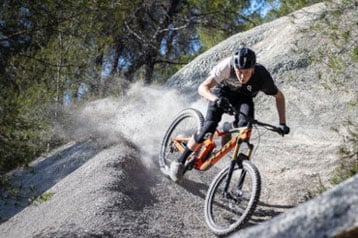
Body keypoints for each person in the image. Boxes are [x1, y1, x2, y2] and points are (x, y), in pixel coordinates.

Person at [164, 47, 290, 182]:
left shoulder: (262, 77)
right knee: (208, 128)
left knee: (245, 126)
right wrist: (215, 100)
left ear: (253, 69)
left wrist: (282, 123)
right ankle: (179, 161)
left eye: (246, 72)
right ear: (234, 66)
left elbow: (279, 97)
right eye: (239, 72)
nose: (242, 76)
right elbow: (202, 88)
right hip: (221, 94)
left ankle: (227, 127)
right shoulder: (227, 66)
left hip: (243, 99)